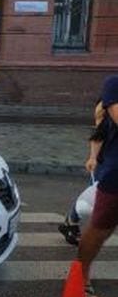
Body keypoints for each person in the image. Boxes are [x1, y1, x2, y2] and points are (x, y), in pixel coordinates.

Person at [78, 76, 118, 297]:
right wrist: (93, 156)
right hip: (115, 173)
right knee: (101, 228)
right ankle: (81, 279)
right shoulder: (113, 84)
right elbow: (101, 129)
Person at [59, 100, 107, 244]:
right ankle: (71, 222)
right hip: (108, 159)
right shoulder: (108, 104)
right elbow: (99, 134)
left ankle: (71, 222)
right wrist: (93, 158)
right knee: (95, 193)